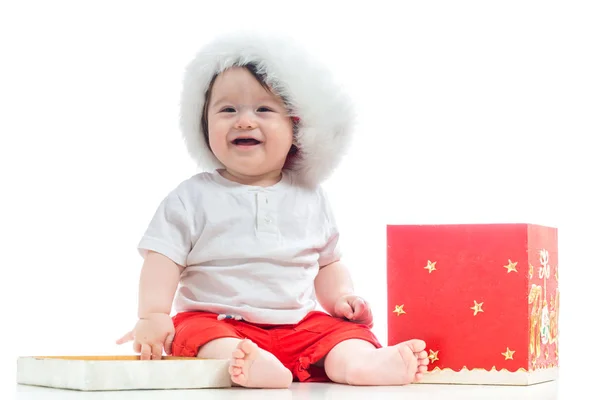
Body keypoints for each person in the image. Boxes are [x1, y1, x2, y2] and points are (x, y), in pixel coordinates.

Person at [117, 31, 429, 388]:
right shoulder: (191, 197)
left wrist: (342, 298)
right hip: (220, 320)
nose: (244, 121)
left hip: (299, 324)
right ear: (204, 127)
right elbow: (163, 259)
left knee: (339, 333)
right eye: (227, 109)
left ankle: (359, 364)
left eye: (263, 109)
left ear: (297, 127)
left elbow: (327, 262)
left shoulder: (310, 196)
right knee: (195, 336)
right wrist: (154, 314)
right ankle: (249, 363)